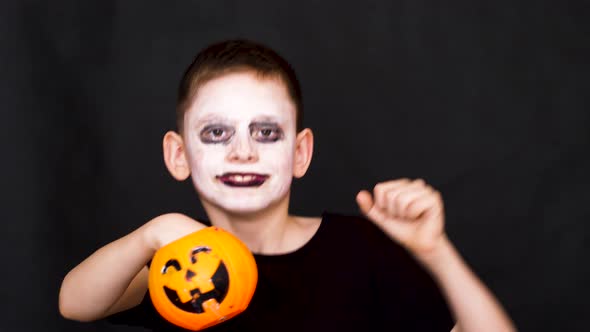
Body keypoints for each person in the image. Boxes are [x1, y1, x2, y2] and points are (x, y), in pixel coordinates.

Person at [59, 39, 517, 332]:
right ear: (179, 155)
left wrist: (437, 252)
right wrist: (151, 233)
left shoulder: (360, 251)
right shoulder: (179, 265)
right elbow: (74, 304)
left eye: (266, 133)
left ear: (300, 153)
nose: (243, 151)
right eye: (217, 133)